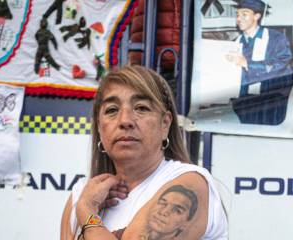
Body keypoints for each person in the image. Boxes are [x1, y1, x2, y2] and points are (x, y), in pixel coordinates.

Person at [60, 65, 228, 239]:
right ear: (99, 128)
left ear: (165, 124)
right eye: (112, 110)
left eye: (141, 108)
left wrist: (87, 212)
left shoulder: (191, 183)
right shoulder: (81, 195)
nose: (125, 121)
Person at [226, 0, 293, 125]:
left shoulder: (275, 38)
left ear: (257, 16)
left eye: (244, 14)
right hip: (244, 103)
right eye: (237, 15)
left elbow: (282, 64)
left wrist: (247, 64)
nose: (239, 18)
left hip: (271, 102)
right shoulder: (234, 43)